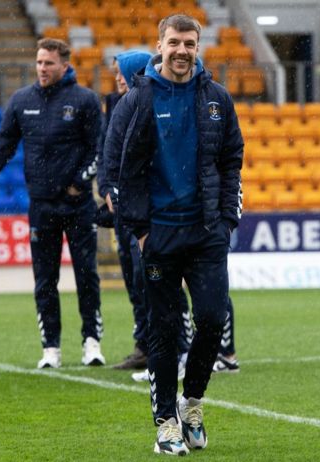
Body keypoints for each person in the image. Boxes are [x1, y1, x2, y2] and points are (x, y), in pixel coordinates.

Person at [103, 14, 243, 456]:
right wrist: (141, 232)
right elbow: (117, 168)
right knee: (163, 332)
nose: (182, 50)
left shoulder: (217, 98)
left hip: (206, 234)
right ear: (159, 46)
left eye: (189, 43)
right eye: (174, 42)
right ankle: (166, 422)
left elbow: (232, 160)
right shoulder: (137, 100)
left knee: (212, 320)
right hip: (159, 234)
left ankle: (192, 402)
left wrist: (225, 222)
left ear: (198, 46)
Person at [0, 38, 106, 369]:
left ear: (64, 65)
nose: (41, 68)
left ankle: (92, 342)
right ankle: (51, 348)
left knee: (86, 274)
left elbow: (98, 150)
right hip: (41, 206)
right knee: (45, 280)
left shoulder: (85, 100)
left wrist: (78, 183)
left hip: (77, 206)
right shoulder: (22, 100)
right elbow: (5, 142)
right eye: (38, 62)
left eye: (48, 63)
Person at [99, 49, 194, 372]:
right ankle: (150, 348)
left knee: (160, 281)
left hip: (158, 211)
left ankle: (182, 349)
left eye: (120, 74)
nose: (117, 79)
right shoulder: (119, 104)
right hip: (131, 211)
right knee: (140, 282)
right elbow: (110, 154)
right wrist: (108, 190)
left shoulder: (157, 103)